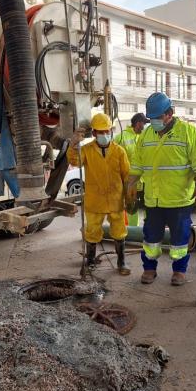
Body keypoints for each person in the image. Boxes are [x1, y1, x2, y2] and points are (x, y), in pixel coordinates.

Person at [128, 92, 196, 286]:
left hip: (178, 199)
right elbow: (138, 163)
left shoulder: (188, 132)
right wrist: (130, 184)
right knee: (150, 238)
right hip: (153, 199)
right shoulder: (147, 134)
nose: (154, 121)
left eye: (157, 117)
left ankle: (179, 271)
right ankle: (149, 269)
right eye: (151, 118)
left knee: (180, 240)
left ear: (170, 113)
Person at [68, 113, 131, 275]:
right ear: (94, 133)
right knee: (92, 232)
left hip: (115, 199)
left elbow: (127, 176)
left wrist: (130, 196)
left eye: (106, 131)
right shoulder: (87, 150)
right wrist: (73, 145)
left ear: (111, 130)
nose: (104, 135)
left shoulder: (119, 151)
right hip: (95, 200)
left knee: (119, 231)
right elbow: (75, 161)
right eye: (100, 132)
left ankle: (121, 262)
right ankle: (90, 262)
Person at [115, 113, 149, 226]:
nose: (144, 127)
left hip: (144, 181)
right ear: (138, 123)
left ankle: (148, 229)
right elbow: (113, 158)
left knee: (148, 207)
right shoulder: (121, 137)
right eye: (143, 124)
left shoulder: (144, 137)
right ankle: (132, 231)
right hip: (130, 181)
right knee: (131, 208)